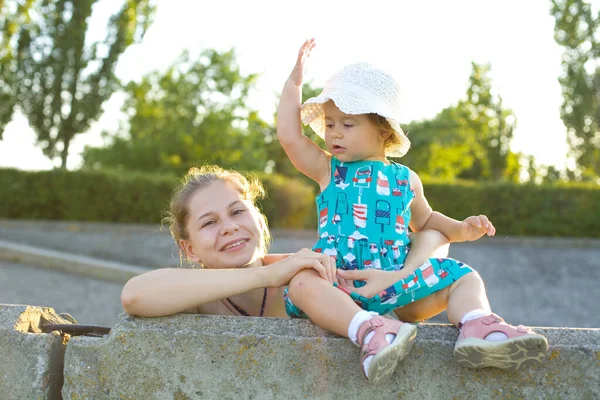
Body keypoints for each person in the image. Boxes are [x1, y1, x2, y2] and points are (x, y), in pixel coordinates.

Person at [275, 38, 548, 383]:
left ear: (383, 131)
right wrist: (294, 82)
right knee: (301, 282)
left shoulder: (405, 179)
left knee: (463, 276)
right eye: (330, 123)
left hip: (397, 285)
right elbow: (289, 137)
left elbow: (427, 221)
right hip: (340, 285)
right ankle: (370, 330)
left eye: (348, 124)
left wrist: (462, 228)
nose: (333, 134)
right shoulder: (328, 170)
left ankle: (478, 326)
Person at [120, 165, 449, 378]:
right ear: (189, 249)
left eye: (238, 211)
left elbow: (435, 237)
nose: (230, 227)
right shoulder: (198, 295)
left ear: (257, 219)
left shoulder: (309, 274)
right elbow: (134, 295)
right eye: (209, 222)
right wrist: (267, 275)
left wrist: (403, 272)